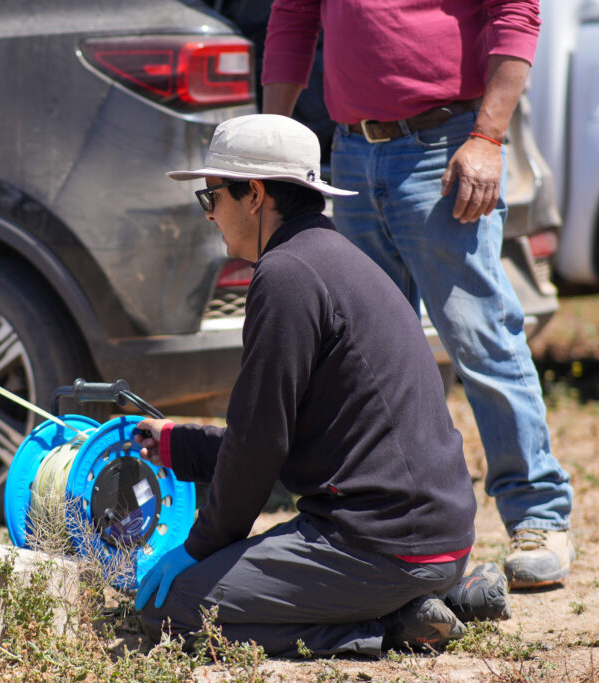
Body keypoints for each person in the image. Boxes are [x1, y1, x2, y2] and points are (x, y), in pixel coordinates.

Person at [133, 115, 508, 657]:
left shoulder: (286, 275)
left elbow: (260, 447)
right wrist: (181, 446)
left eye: (211, 196)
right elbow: (277, 439)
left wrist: (198, 550)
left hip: (380, 545)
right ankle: (432, 595)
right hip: (434, 537)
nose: (210, 212)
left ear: (255, 195)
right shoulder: (333, 258)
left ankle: (390, 624)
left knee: (169, 609)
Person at [260, 0, 574, 590]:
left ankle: (538, 515)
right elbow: (293, 19)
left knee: (481, 339)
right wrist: (269, 147)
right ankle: (397, 522)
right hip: (352, 152)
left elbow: (516, 14)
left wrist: (487, 137)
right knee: (369, 356)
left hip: (446, 146)